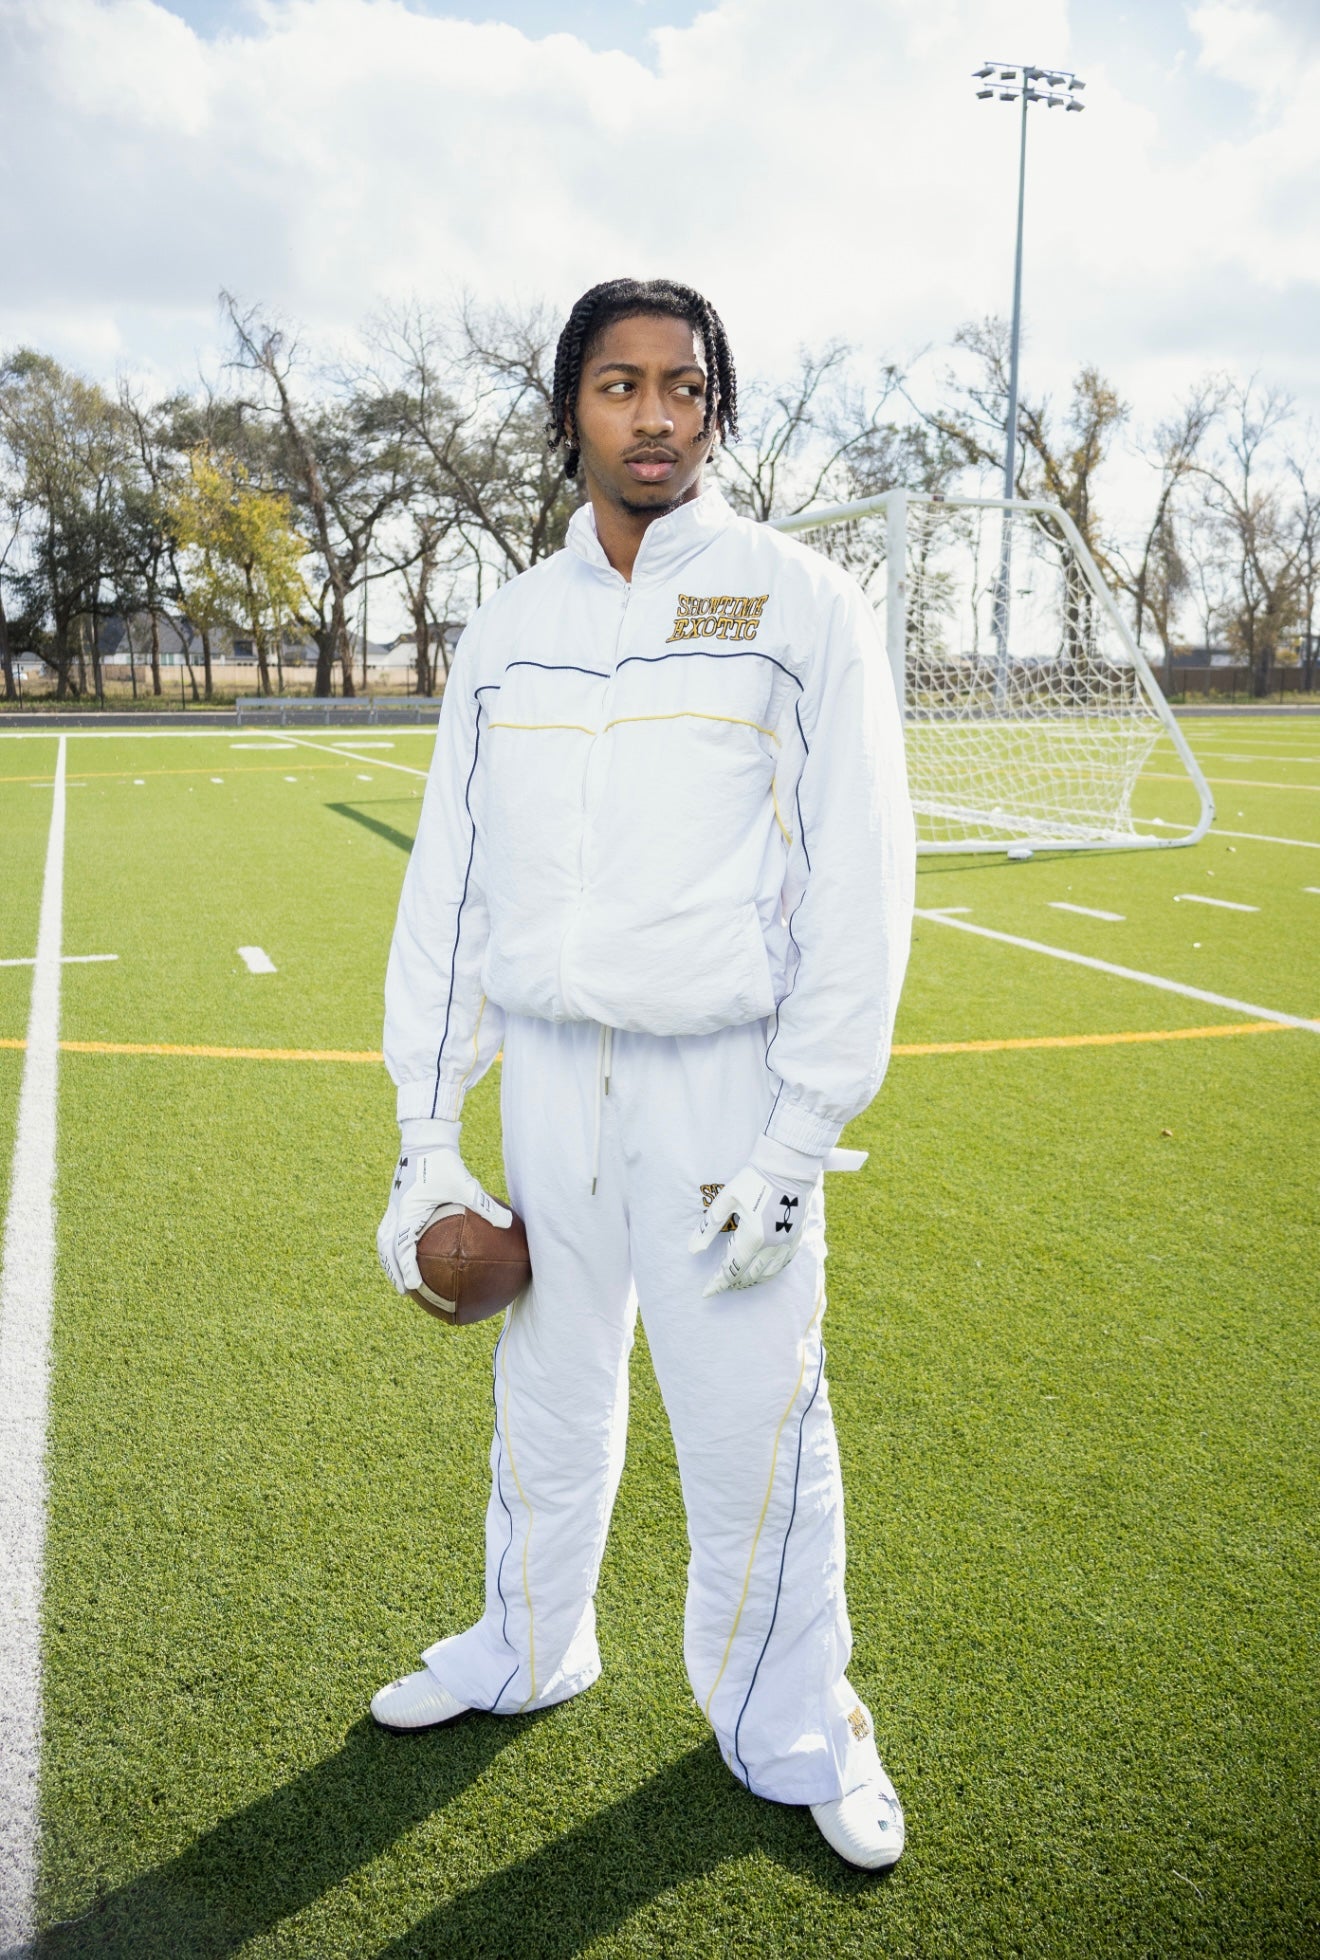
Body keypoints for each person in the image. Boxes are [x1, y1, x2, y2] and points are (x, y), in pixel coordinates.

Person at [374, 277, 915, 1871]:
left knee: (756, 1427)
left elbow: (858, 881)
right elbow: (452, 878)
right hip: (547, 1078)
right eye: (622, 385)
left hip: (718, 1093)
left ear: (716, 412)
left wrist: (799, 1134)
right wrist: (428, 1129)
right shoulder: (511, 624)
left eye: (687, 386)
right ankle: (529, 1646)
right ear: (573, 413)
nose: (658, 414)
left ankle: (796, 1729)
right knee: (545, 1400)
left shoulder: (799, 600)